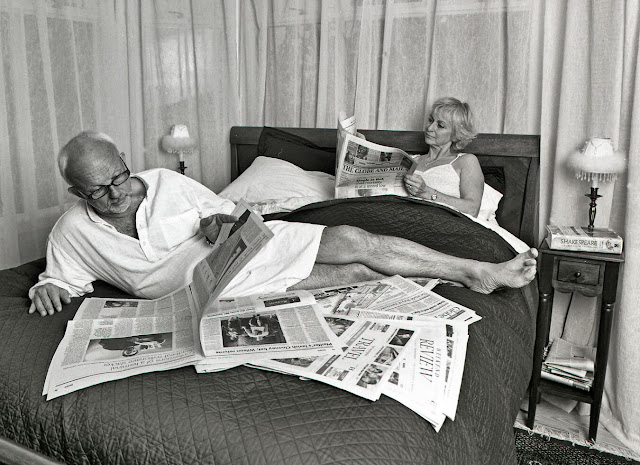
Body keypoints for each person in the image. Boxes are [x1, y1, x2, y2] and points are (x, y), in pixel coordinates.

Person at [28, 131, 538, 317]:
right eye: (98, 191)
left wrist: (220, 220)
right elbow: (59, 279)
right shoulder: (72, 232)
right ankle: (424, 285)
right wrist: (46, 288)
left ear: (123, 160)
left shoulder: (165, 181)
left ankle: (473, 270)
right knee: (356, 275)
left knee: (353, 238)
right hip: (200, 297)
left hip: (235, 254)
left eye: (118, 176)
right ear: (77, 193)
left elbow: (231, 213)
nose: (116, 193)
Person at [403, 97, 484, 217]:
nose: (429, 128)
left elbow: (472, 209)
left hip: (441, 222)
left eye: (440, 125)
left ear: (456, 135)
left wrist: (427, 193)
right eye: (430, 120)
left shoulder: (466, 161)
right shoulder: (409, 160)